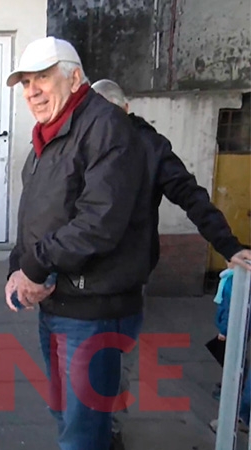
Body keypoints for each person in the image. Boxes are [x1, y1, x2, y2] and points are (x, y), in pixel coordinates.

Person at [4, 37, 152, 450]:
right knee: (68, 418)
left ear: (73, 76)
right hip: (57, 304)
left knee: (82, 431)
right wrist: (17, 268)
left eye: (42, 78)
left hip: (91, 313)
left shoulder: (105, 126)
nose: (32, 91)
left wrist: (33, 269)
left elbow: (98, 223)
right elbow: (34, 213)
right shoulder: (49, 133)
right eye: (25, 82)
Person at [92, 78, 251, 447]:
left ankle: (110, 424)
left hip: (128, 276)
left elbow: (188, 193)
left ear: (125, 109)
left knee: (115, 352)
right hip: (82, 273)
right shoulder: (86, 143)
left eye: (108, 112)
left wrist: (227, 244)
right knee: (82, 355)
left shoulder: (149, 146)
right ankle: (88, 421)